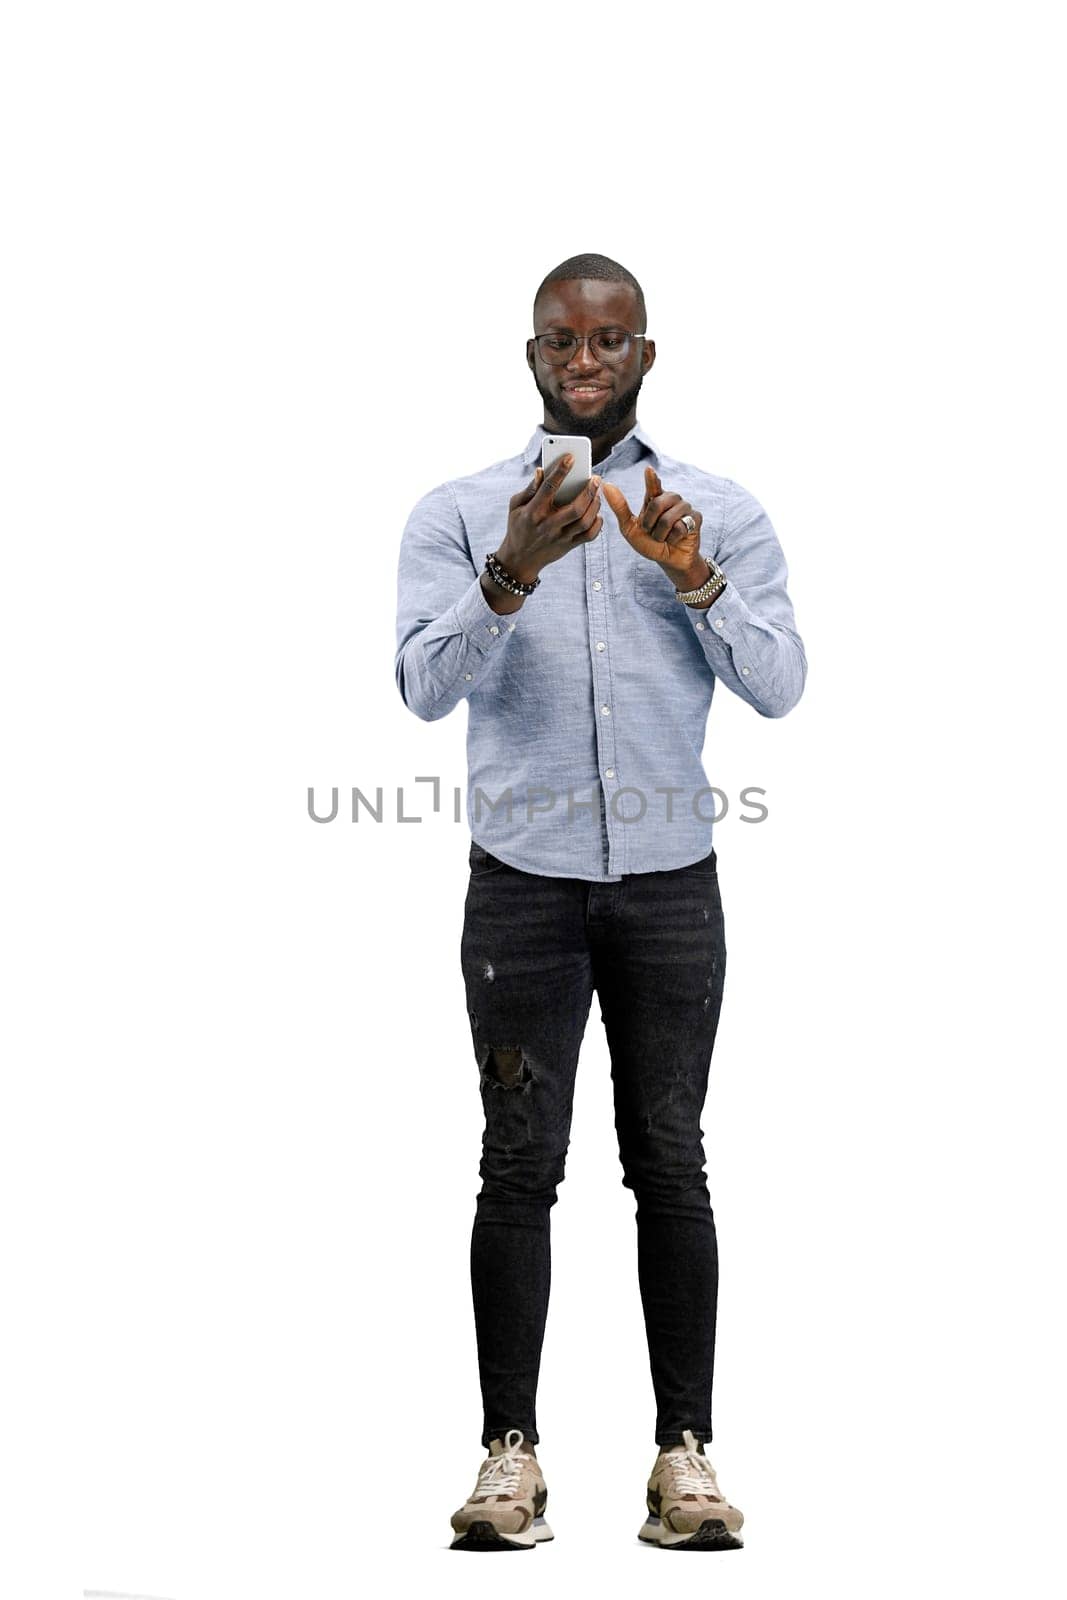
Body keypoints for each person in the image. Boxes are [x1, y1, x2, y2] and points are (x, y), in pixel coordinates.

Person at [394, 253, 806, 1551]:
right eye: (563, 342)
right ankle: (508, 1457)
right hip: (520, 895)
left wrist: (692, 575)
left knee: (670, 1160)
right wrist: (510, 567)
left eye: (610, 340)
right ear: (531, 357)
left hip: (671, 894)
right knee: (517, 1166)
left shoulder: (715, 510)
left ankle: (684, 1460)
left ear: (644, 355)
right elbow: (419, 686)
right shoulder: (461, 512)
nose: (586, 361)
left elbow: (783, 685)